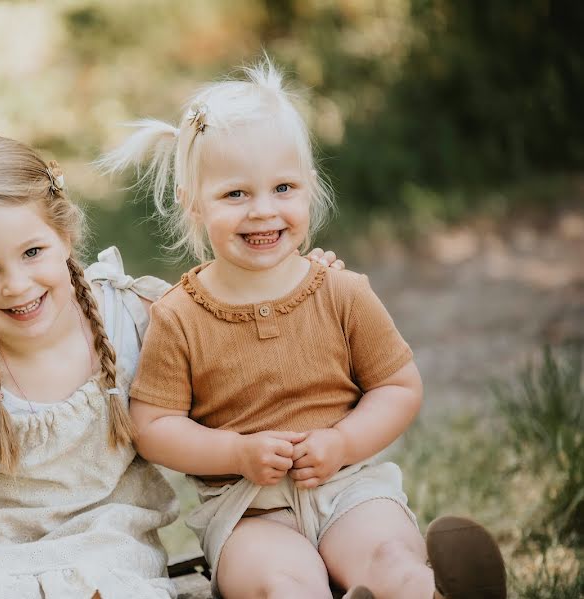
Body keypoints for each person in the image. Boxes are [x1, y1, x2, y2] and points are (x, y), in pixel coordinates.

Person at [101, 58, 507, 599]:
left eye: (283, 188)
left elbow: (398, 386)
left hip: (349, 486)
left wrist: (343, 441)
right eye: (235, 194)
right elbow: (153, 426)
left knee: (388, 556)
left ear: (310, 188)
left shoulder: (342, 292)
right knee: (286, 583)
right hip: (248, 511)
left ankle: (429, 592)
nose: (263, 211)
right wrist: (235, 453)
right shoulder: (179, 316)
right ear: (193, 203)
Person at [0, 133, 347, 598]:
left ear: (64, 235)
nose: (16, 285)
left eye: (32, 252)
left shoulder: (134, 318)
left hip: (111, 558)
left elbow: (240, 344)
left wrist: (299, 287)